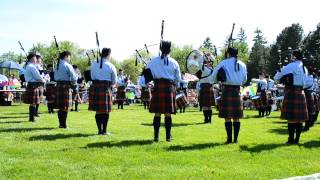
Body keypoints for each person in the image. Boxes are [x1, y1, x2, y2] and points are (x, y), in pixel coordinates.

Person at [146, 41, 181, 142]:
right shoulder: (174, 62)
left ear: (161, 50)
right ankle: (168, 137)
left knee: (157, 113)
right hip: (169, 88)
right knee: (167, 114)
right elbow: (177, 78)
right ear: (170, 50)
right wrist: (174, 86)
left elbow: (147, 75)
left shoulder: (153, 61)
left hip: (157, 87)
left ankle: (156, 137)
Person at [212, 47, 247, 144]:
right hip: (237, 91)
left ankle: (229, 139)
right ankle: (235, 140)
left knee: (227, 117)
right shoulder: (243, 64)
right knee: (236, 117)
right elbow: (244, 80)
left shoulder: (224, 63)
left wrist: (216, 81)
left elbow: (214, 75)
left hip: (227, 90)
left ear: (228, 53)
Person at [274, 50, 308, 144]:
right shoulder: (305, 68)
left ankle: (291, 139)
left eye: (292, 56)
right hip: (301, 92)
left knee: (291, 118)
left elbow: (277, 77)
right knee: (299, 119)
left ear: (294, 57)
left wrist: (278, 73)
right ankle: (297, 139)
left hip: (292, 92)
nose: (290, 58)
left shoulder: (292, 66)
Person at [88, 48, 117, 135]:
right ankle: (104, 131)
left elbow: (92, 77)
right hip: (105, 88)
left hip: (95, 87)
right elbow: (114, 81)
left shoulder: (94, 64)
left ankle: (99, 131)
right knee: (106, 111)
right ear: (108, 54)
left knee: (98, 110)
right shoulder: (111, 65)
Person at [54, 51, 78, 128]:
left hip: (58, 86)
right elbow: (74, 77)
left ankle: (61, 124)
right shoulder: (67, 65)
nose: (70, 58)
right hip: (65, 87)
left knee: (61, 108)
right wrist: (75, 78)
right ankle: (64, 125)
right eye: (69, 57)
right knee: (65, 107)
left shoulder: (57, 65)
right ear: (66, 56)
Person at [23, 52, 45, 122]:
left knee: (33, 103)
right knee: (33, 103)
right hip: (33, 85)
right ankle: (31, 118)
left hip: (32, 85)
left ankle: (31, 117)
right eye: (35, 58)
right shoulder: (32, 66)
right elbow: (37, 76)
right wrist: (43, 80)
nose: (36, 60)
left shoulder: (29, 66)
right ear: (32, 59)